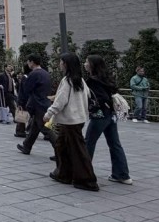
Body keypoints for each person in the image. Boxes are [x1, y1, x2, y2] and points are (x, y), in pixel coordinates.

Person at [45, 53, 100, 191]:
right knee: (61, 146)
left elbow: (60, 101)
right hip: (77, 119)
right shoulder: (79, 80)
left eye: (61, 61)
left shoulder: (68, 81)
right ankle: (63, 173)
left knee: (78, 151)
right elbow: (87, 96)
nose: (59, 64)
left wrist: (48, 114)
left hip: (70, 121)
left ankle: (87, 180)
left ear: (66, 64)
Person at [84, 55, 132, 185]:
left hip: (100, 116)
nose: (85, 64)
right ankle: (122, 174)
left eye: (87, 62)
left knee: (88, 143)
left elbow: (100, 98)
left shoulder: (93, 81)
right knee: (115, 144)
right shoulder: (107, 78)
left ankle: (83, 173)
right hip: (111, 115)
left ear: (92, 65)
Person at [17, 54, 57, 155]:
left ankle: (60, 151)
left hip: (38, 104)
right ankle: (27, 146)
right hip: (44, 103)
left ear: (32, 62)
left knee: (46, 128)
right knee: (35, 127)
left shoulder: (34, 74)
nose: (27, 63)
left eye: (28, 61)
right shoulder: (45, 73)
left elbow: (26, 90)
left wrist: (21, 102)